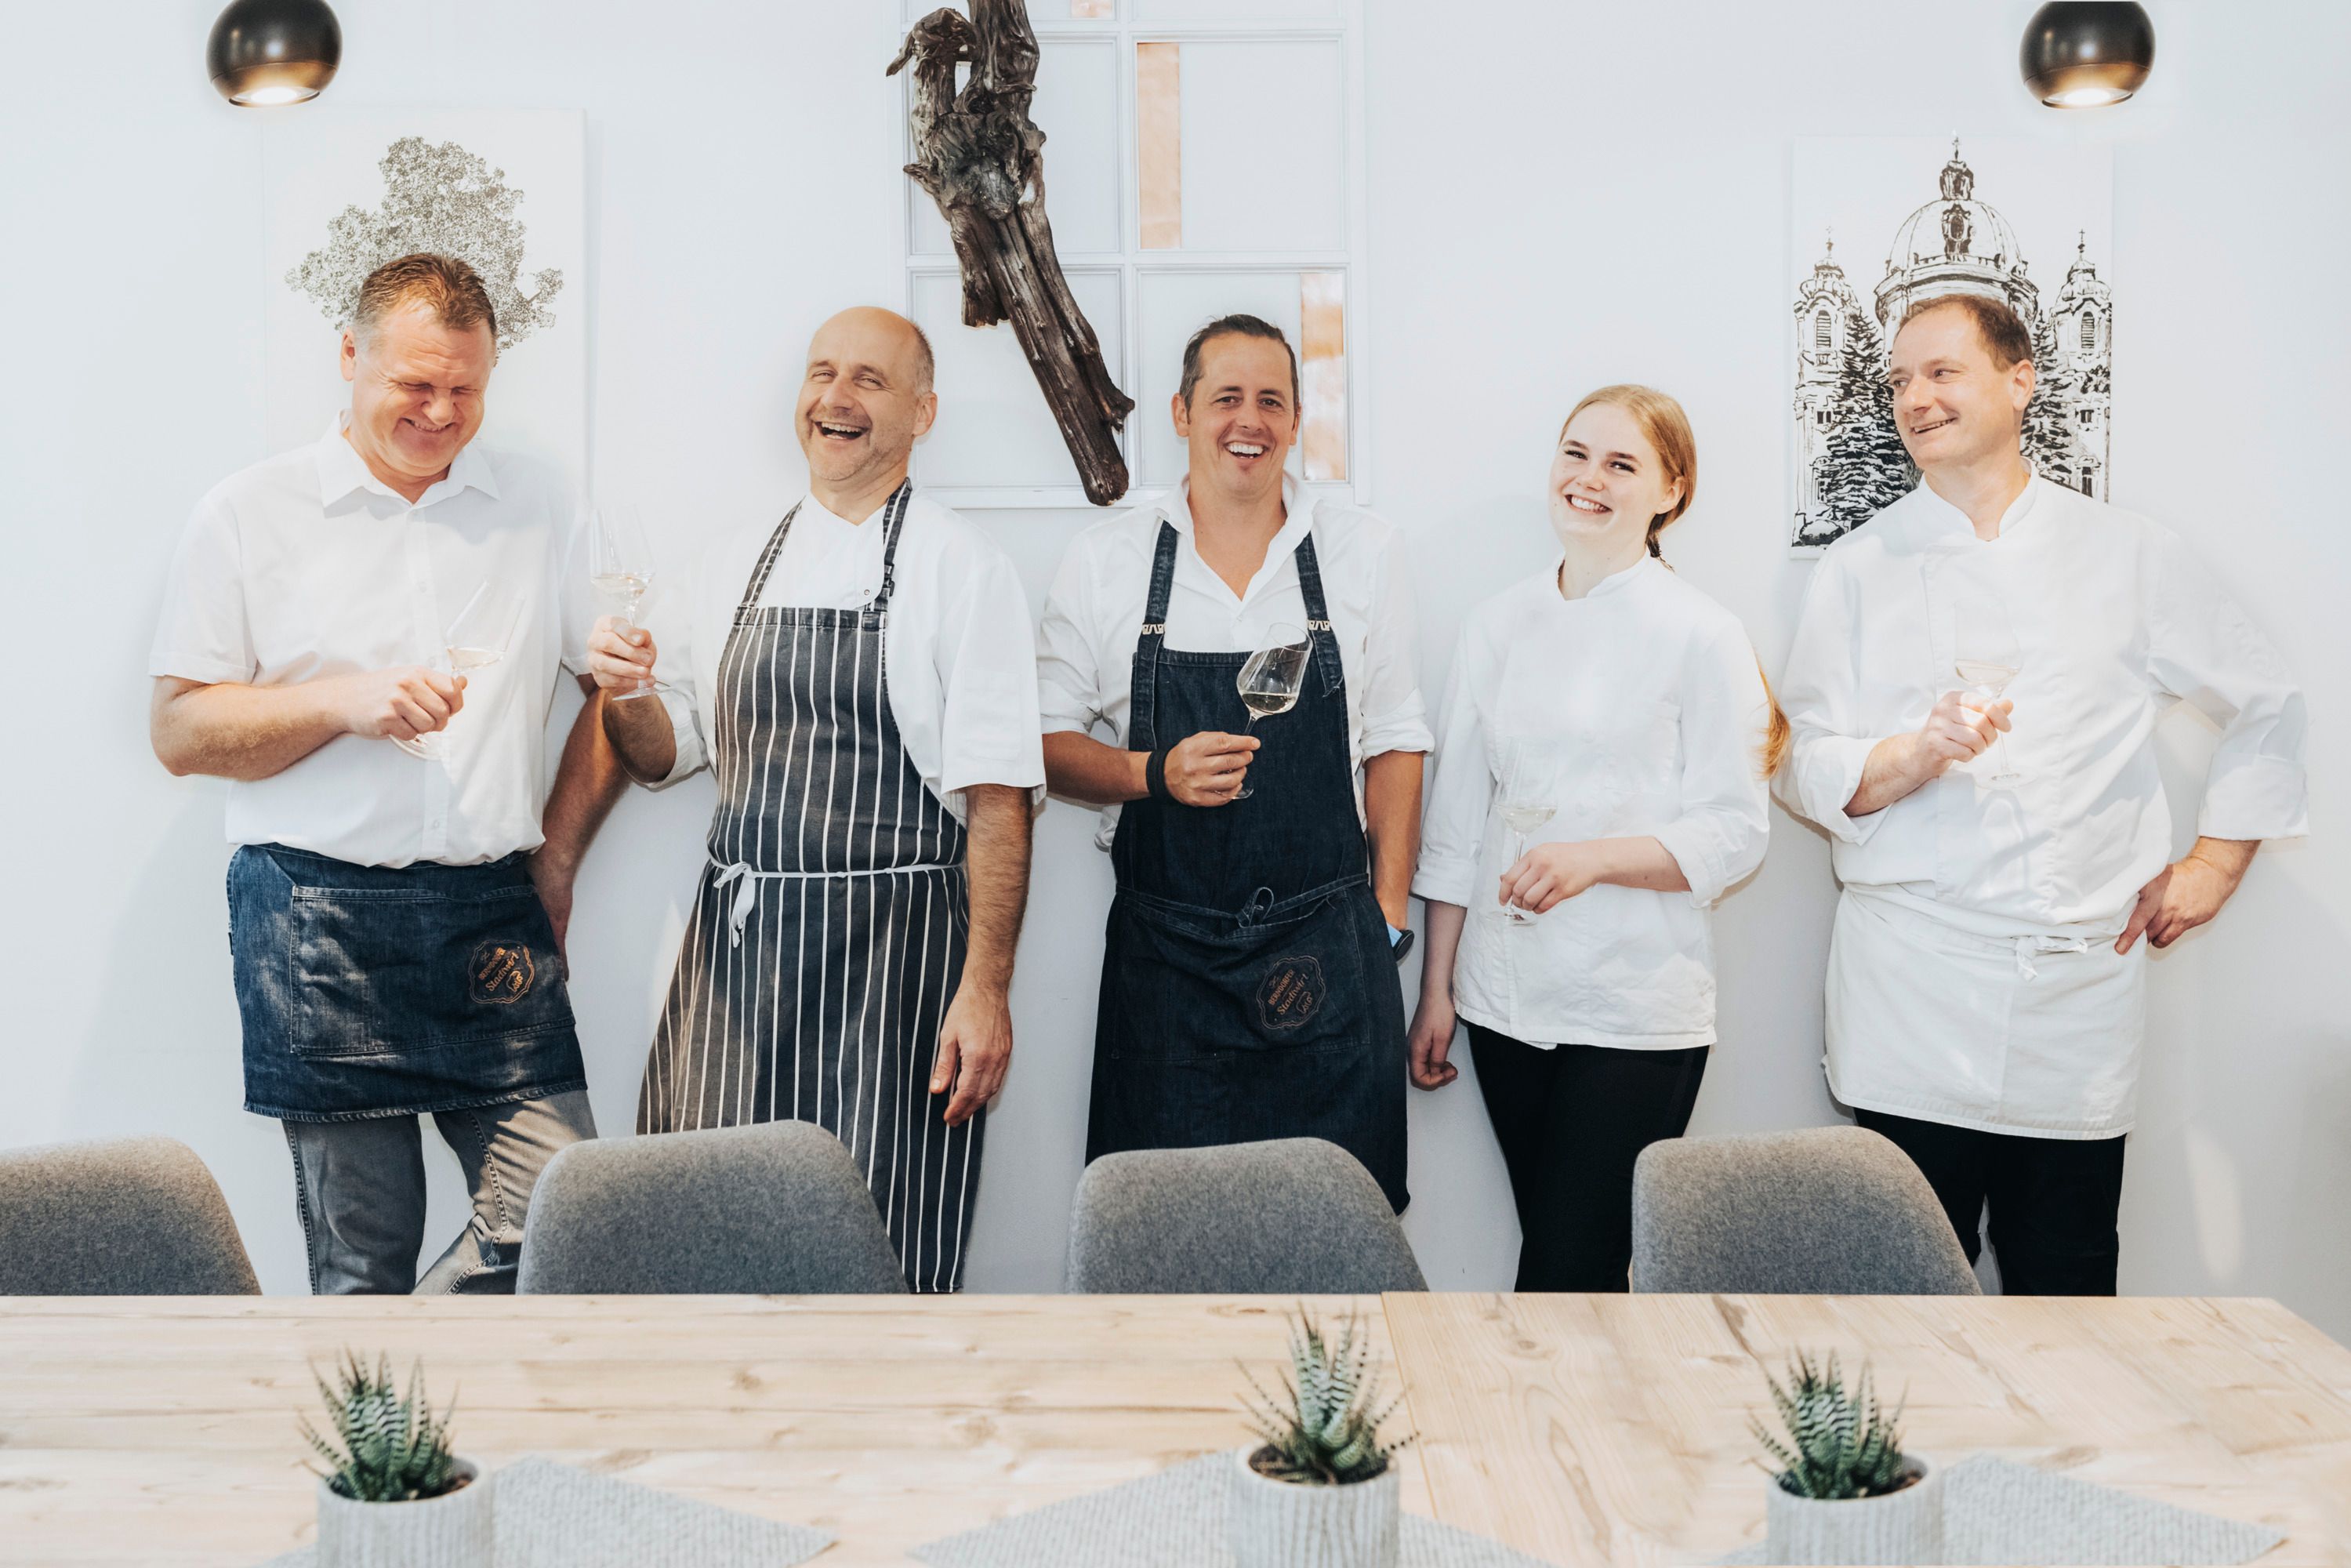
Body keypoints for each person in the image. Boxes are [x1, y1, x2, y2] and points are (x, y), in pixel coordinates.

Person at [1776, 293, 2307, 1294]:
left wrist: (2215, 860)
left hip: (2075, 994)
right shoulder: (1855, 569)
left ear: (2018, 381)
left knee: (2065, 1287)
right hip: (1911, 986)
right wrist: (1910, 755)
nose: (1913, 398)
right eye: (1897, 381)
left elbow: (2267, 700)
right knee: (1903, 1294)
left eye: (1940, 372)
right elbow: (1801, 763)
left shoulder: (2129, 554)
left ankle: (2051, 1460)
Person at [149, 252, 623, 1295]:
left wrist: (554, 857)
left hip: (492, 911)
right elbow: (179, 732)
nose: (441, 411)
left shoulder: (541, 501)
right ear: (349, 356)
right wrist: (341, 701)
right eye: (415, 384)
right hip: (314, 913)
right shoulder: (247, 511)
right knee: (361, 1261)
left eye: (466, 389)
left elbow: (609, 693)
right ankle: (387, 1445)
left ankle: (418, 1359)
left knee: (565, 1219)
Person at [589, 307, 1040, 1294]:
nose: (835, 398)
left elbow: (1002, 801)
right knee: (691, 1235)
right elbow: (664, 757)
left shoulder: (965, 570)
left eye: (869, 380)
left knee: (879, 1249)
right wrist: (622, 693)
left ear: (922, 412)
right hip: (735, 958)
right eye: (821, 372)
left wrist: (986, 989)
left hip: (897, 962)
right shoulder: (726, 563)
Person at [1036, 314, 1429, 1210]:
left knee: (1338, 1236)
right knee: (1163, 1241)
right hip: (1165, 969)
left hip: (1326, 959)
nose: (1246, 420)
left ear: (1295, 424)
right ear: (1180, 412)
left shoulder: (1361, 552)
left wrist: (1388, 913)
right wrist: (1151, 774)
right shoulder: (1109, 559)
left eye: (1269, 401)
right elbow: (1045, 742)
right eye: (1224, 398)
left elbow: (1398, 736)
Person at [1406, 386, 1778, 1290]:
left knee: (1566, 1273)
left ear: (1670, 492)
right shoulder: (1495, 623)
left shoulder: (1700, 633)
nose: (1588, 479)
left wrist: (1591, 859)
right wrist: (1437, 991)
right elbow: (1456, 828)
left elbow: (1736, 833)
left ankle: (1545, 1434)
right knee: (1570, 1270)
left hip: (1633, 1010)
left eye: (1620, 464)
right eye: (1575, 454)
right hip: (1503, 1002)